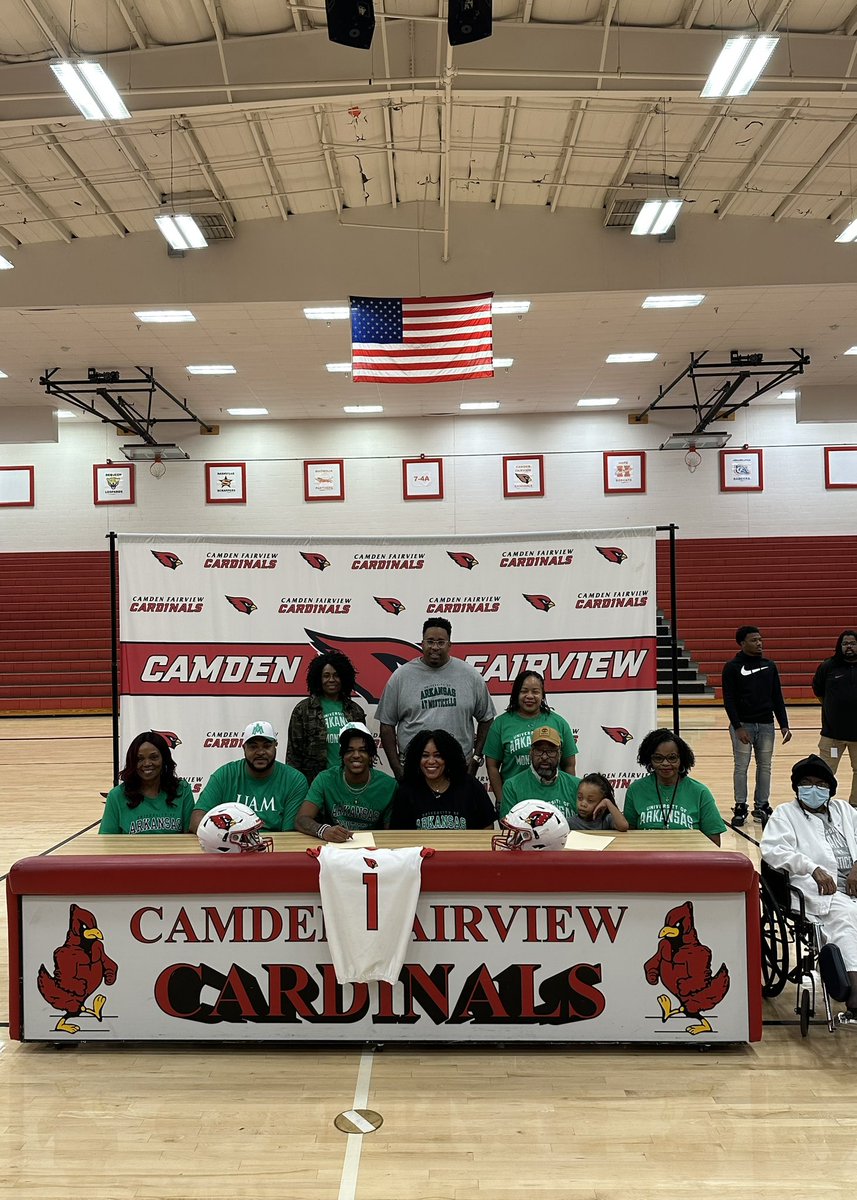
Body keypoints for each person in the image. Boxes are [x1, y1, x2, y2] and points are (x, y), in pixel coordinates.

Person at [761, 755, 857, 1022]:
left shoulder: (844, 811)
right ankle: (853, 989)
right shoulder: (785, 814)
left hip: (852, 883)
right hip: (817, 888)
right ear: (796, 787)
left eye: (820, 784)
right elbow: (773, 851)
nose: (813, 789)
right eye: (806, 783)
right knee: (845, 916)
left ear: (830, 788)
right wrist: (812, 868)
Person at [377, 618, 495, 780]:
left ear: (449, 645)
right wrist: (397, 769)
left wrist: (475, 760)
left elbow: (487, 719)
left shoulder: (470, 675)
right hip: (415, 768)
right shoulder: (401, 677)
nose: (435, 647)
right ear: (422, 643)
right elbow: (386, 725)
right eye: (430, 641)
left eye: (440, 642)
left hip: (457, 768)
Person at [722, 625, 792, 828]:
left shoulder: (769, 666)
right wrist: (738, 727)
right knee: (741, 766)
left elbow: (777, 696)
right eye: (754, 640)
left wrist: (784, 724)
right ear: (742, 643)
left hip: (766, 724)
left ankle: (762, 805)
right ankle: (740, 806)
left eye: (760, 639)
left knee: (765, 766)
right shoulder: (732, 667)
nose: (759, 643)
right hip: (743, 725)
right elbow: (729, 699)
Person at [189, 720, 307, 833]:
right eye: (253, 747)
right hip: (230, 841)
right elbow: (196, 820)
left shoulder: (294, 780)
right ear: (244, 748)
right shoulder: (225, 775)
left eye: (266, 746)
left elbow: (290, 833)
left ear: (275, 746)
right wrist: (225, 837)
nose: (260, 752)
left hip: (275, 844)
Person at [484, 670, 577, 811]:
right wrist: (501, 799)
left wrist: (569, 797)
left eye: (535, 692)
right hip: (516, 799)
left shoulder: (559, 723)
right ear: (516, 694)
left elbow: (569, 764)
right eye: (524, 691)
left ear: (542, 695)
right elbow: (492, 766)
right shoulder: (501, 724)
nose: (529, 696)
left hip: (554, 801)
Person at [623, 728, 726, 845]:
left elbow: (713, 841)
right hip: (648, 855)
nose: (665, 763)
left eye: (672, 758)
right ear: (649, 759)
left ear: (682, 759)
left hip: (688, 856)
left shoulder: (700, 792)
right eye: (658, 758)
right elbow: (629, 836)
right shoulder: (635, 790)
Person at [296, 722, 396, 841]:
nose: (356, 755)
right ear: (342, 755)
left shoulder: (389, 785)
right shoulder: (325, 779)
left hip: (373, 847)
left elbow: (392, 832)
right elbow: (301, 819)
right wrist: (323, 830)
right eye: (349, 750)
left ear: (370, 755)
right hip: (335, 845)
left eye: (362, 750)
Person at [286, 651, 367, 784]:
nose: (331, 680)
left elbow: (364, 753)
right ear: (318, 678)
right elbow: (293, 756)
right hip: (315, 784)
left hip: (348, 783)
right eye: (326, 675)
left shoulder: (355, 711)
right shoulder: (303, 710)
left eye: (336, 675)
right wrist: (295, 786)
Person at [391, 728, 496, 831]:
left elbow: (487, 827)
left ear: (448, 757)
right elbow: (398, 835)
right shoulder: (407, 790)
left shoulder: (470, 785)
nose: (431, 761)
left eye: (438, 755)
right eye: (425, 756)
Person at [100, 730, 194, 835]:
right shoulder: (116, 796)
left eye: (154, 757)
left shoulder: (182, 790)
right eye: (139, 759)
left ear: (164, 759)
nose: (147, 763)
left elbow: (192, 837)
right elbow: (106, 840)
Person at [813, 630, 857, 806]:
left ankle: (855, 806)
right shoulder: (828, 666)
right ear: (839, 646)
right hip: (832, 734)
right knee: (824, 771)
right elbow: (818, 691)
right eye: (845, 643)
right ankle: (821, 804)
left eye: (852, 643)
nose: (849, 647)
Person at [499, 726, 580, 822]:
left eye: (551, 751)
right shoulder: (512, 787)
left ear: (560, 754)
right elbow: (507, 826)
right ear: (531, 753)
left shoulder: (576, 785)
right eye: (539, 751)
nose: (544, 757)